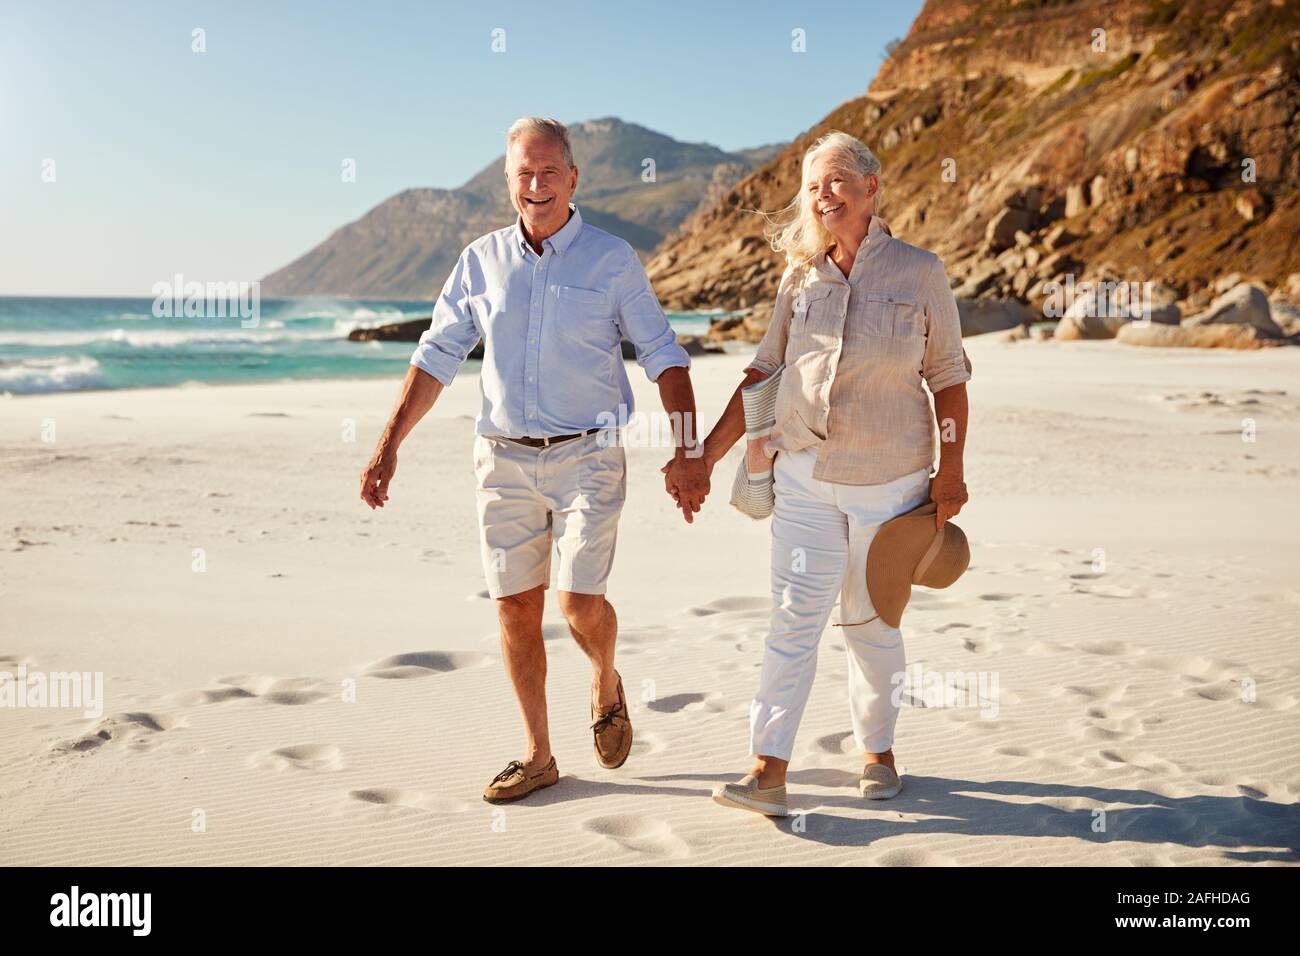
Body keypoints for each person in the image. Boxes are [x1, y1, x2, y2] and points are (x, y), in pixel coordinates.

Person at [360, 117, 710, 804]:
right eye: (525, 171)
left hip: (590, 453)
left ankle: (605, 680)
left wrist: (688, 450)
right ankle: (539, 755)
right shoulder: (480, 261)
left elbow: (665, 356)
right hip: (502, 459)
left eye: (550, 170)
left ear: (574, 178)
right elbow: (435, 357)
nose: (538, 183)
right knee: (517, 609)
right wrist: (386, 446)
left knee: (578, 603)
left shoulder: (611, 260)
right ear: (507, 181)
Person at [682, 130, 971, 816]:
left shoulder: (920, 271)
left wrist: (951, 471)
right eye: (813, 185)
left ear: (873, 189)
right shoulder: (799, 277)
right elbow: (764, 373)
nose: (824, 194)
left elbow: (950, 378)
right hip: (804, 475)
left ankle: (879, 752)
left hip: (893, 481)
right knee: (791, 620)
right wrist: (708, 455)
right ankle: (768, 769)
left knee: (870, 625)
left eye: (838, 180)